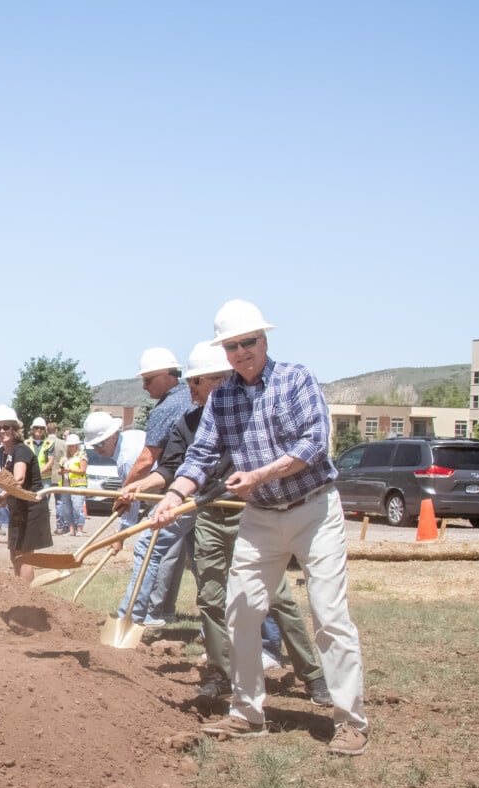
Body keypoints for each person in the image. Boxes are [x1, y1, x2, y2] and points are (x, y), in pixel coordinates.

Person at [153, 300, 369, 756]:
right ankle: (247, 712)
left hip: (313, 509)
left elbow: (313, 443)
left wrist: (258, 475)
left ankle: (351, 721)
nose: (240, 352)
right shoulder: (224, 397)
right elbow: (202, 453)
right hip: (261, 516)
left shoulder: (297, 379)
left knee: (330, 617)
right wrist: (175, 496)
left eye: (247, 342)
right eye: (231, 346)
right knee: (241, 611)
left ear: (264, 340)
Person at [128, 341, 331, 707]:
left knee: (278, 598)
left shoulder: (248, 412)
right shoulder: (188, 423)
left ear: (220, 380)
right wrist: (157, 493)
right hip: (209, 515)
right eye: (189, 382)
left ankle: (312, 675)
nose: (190, 389)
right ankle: (220, 674)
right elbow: (176, 467)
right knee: (210, 597)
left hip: (249, 514)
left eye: (197, 382)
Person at [114, 347, 194, 625]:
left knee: (149, 544)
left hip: (187, 490)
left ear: (166, 377)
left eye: (148, 380)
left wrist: (126, 489)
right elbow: (169, 465)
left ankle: (130, 618)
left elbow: (148, 458)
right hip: (192, 486)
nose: (145, 387)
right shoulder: (190, 401)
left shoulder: (169, 407)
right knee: (200, 560)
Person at [0, 406, 52, 582]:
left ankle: (27, 597)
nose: (2, 431)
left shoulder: (21, 450)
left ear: (14, 429)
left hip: (31, 508)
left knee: (24, 556)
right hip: (17, 508)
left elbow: (18, 479)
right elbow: (6, 479)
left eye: (6, 427)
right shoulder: (3, 451)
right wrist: (2, 498)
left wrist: (1, 496)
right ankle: (19, 593)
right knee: (14, 553)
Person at [57, 434, 88, 536]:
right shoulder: (64, 458)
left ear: (77, 446)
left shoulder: (82, 456)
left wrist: (70, 470)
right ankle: (71, 530)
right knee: (67, 509)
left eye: (72, 445)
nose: (70, 448)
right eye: (69, 446)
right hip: (66, 486)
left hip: (78, 485)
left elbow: (83, 470)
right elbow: (59, 470)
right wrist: (61, 471)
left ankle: (79, 529)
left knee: (77, 507)